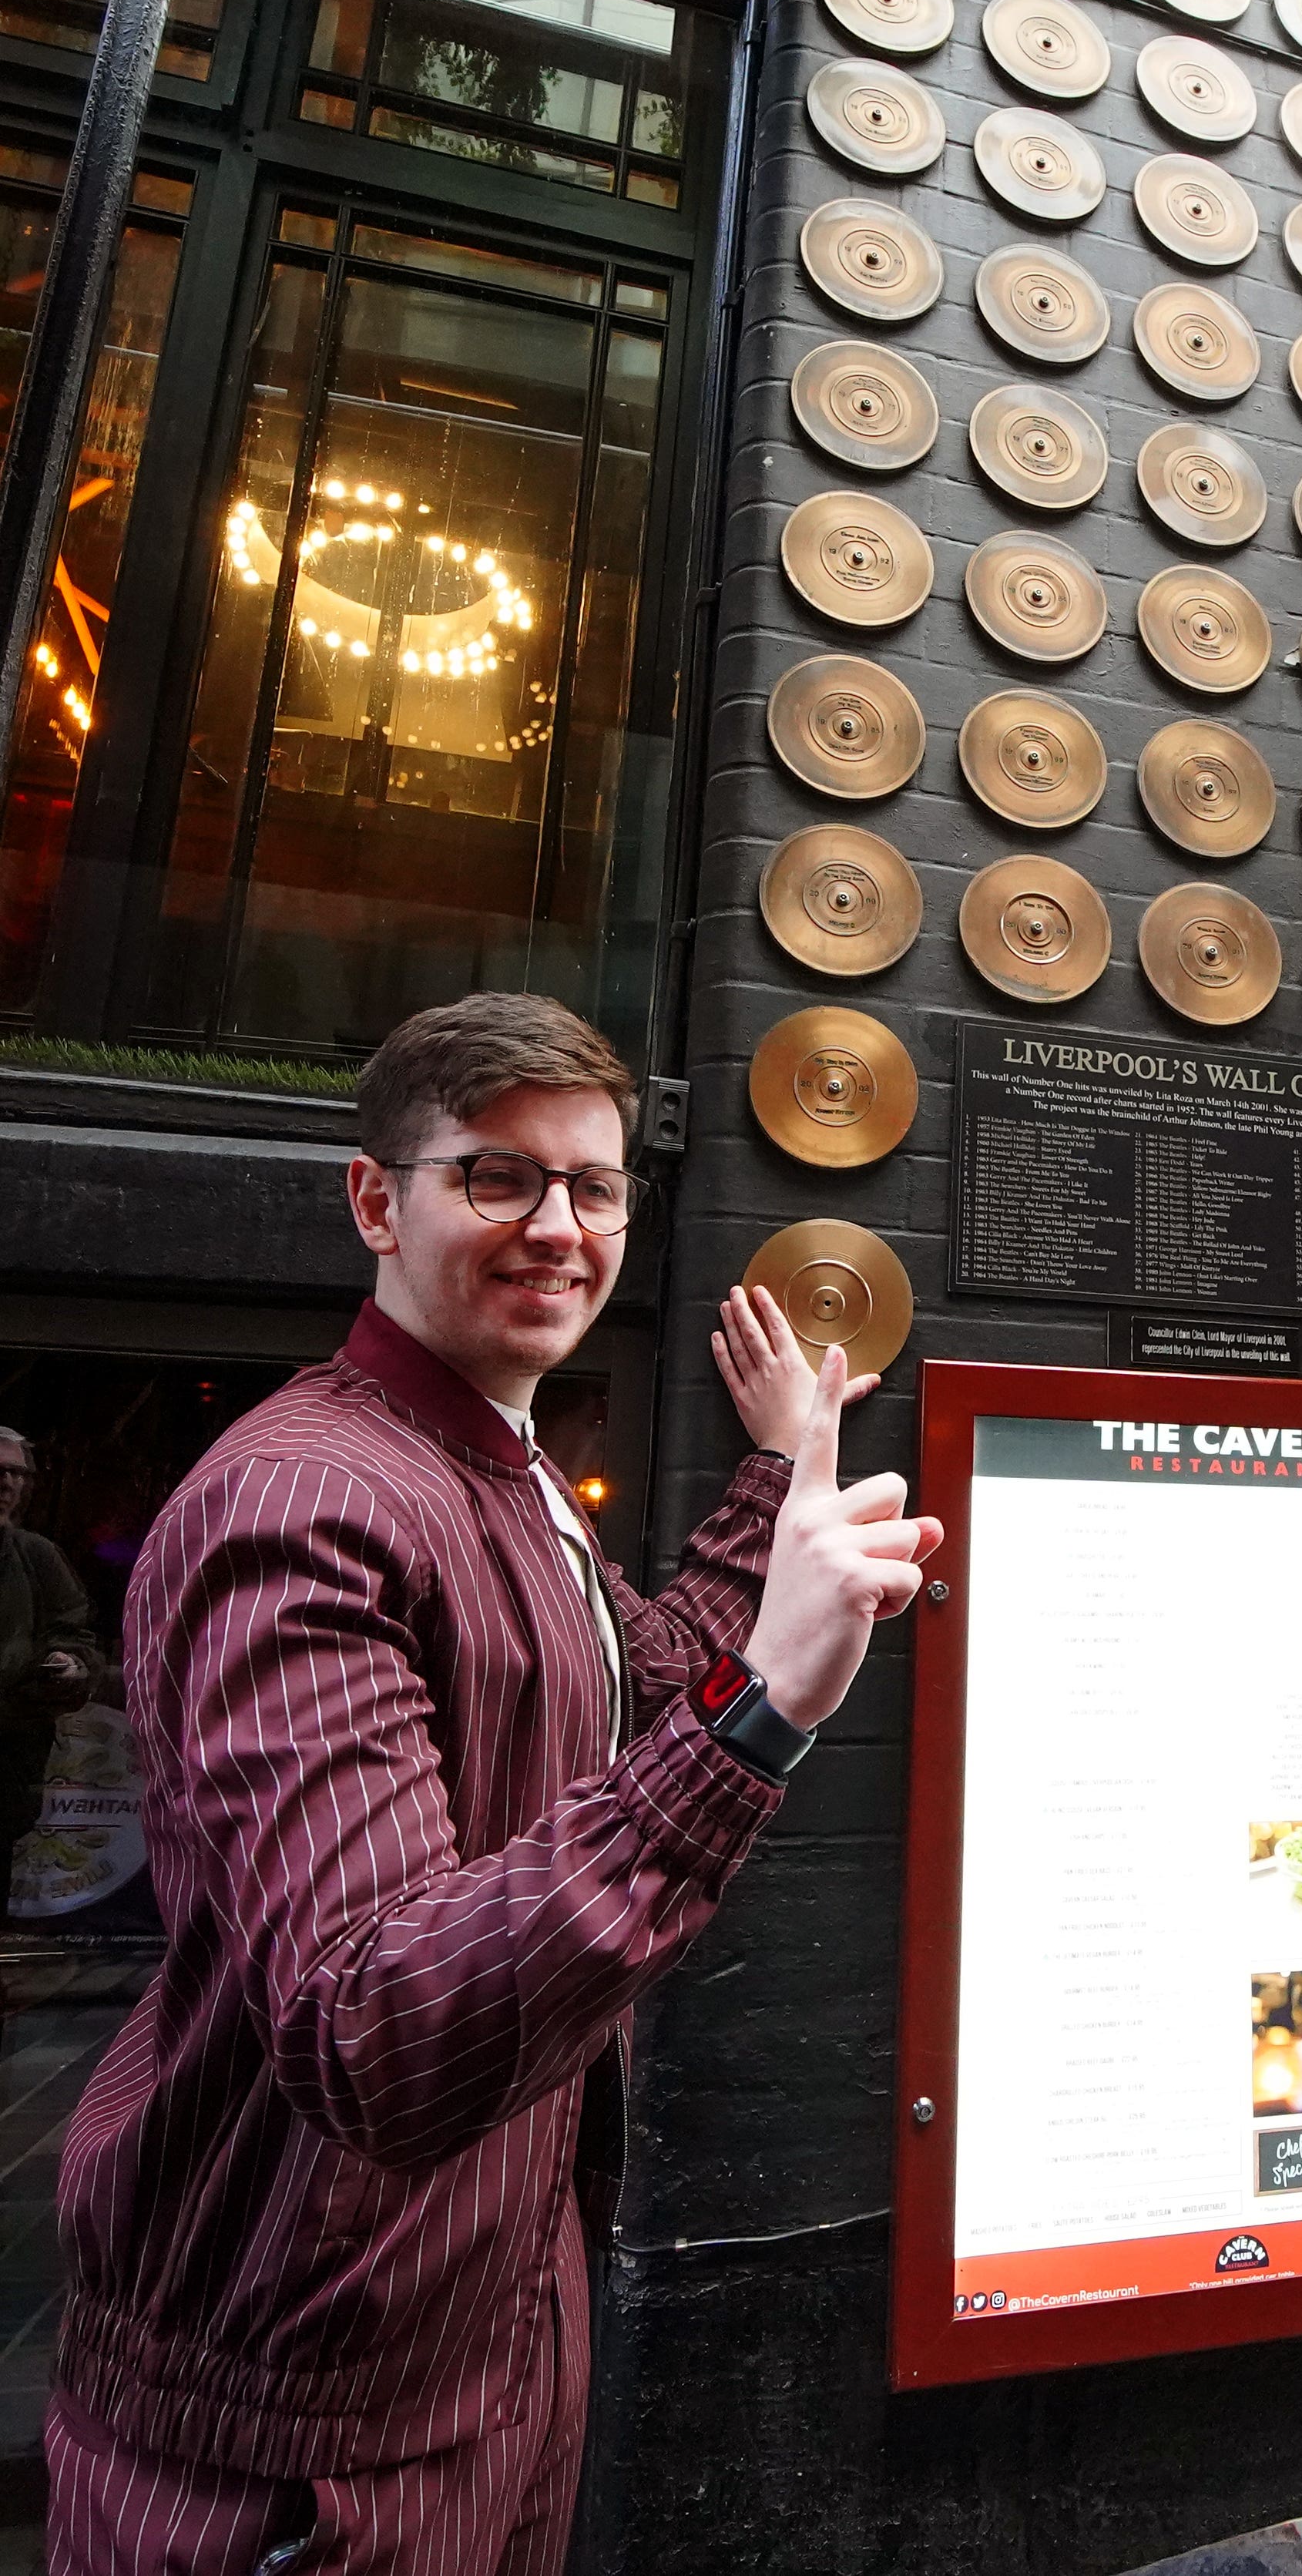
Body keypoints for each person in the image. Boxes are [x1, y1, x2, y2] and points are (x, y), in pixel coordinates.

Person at [42, 992, 941, 2576]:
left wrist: (780, 1478)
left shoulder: (502, 1467)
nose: (561, 1228)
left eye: (593, 1188)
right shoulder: (303, 1506)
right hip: (299, 2442)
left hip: (484, 2342)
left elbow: (627, 1683)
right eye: (498, 1178)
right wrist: (766, 1709)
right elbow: (372, 2024)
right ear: (377, 1201)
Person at [0, 1427, 98, 1860]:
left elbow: (76, 1636)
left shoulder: (36, 1556)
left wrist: (70, 1662)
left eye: (17, 1474)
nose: (7, 1483)